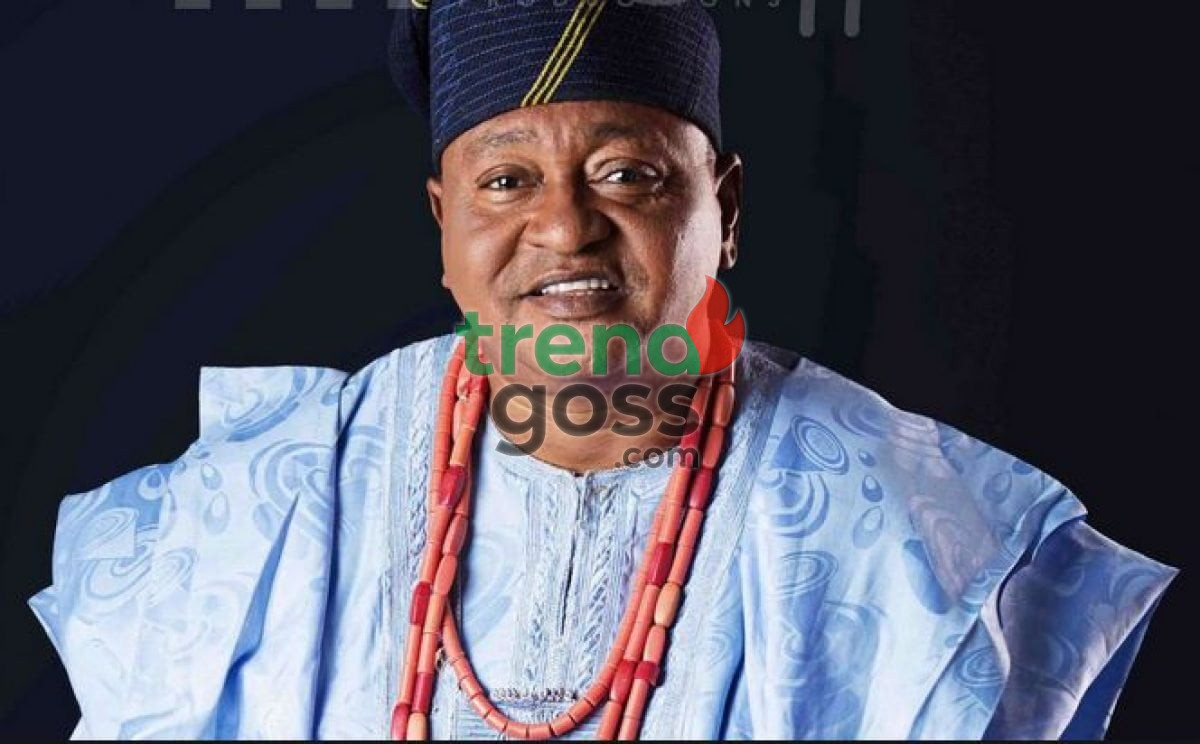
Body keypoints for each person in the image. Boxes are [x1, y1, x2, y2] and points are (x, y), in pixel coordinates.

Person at [28, 1, 1175, 739]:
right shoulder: (267, 504)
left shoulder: (909, 528)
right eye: (505, 181)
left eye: (629, 174)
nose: (566, 228)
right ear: (442, 223)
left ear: (725, 208)